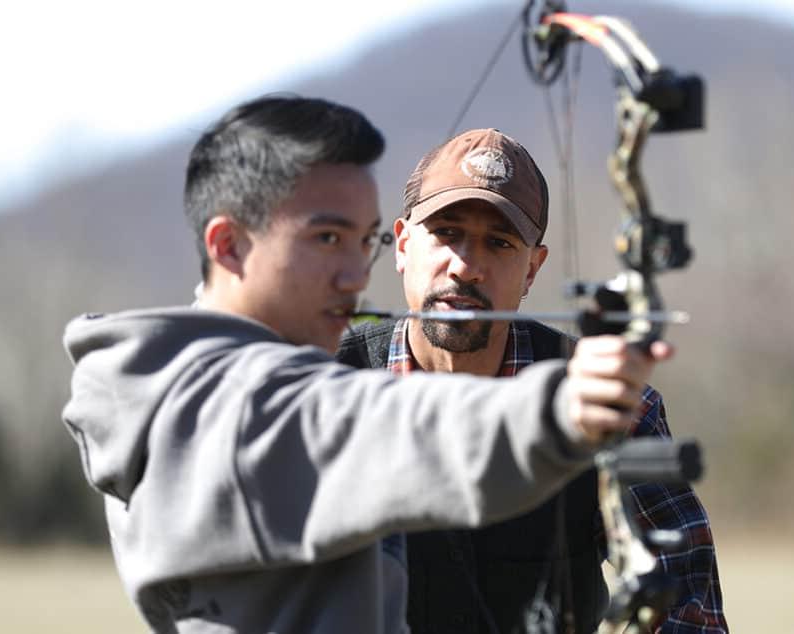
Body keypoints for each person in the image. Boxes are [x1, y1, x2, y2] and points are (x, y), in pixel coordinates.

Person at [60, 96, 674, 634]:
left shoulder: (257, 382)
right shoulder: (206, 410)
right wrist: (561, 407)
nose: (356, 276)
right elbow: (370, 426)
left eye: (363, 242)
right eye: (327, 239)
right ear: (229, 245)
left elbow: (682, 588)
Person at [336, 128, 727, 633]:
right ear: (404, 245)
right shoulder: (326, 388)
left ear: (532, 271)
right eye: (446, 233)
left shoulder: (601, 398)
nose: (465, 266)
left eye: (498, 243)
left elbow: (687, 601)